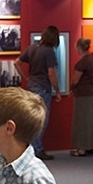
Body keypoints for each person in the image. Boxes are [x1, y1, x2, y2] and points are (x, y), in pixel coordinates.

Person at [14, 25, 62, 160]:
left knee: (32, 119)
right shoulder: (49, 51)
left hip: (31, 87)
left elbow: (17, 63)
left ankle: (31, 149)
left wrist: (26, 77)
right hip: (43, 88)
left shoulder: (32, 48)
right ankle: (37, 149)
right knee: (42, 120)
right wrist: (57, 90)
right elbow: (51, 73)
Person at [69, 38, 93, 156]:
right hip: (92, 94)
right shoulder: (91, 60)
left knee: (82, 122)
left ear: (79, 47)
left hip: (83, 95)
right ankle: (91, 146)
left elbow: (75, 80)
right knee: (91, 121)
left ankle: (82, 149)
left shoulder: (83, 62)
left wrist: (71, 88)